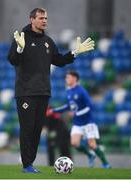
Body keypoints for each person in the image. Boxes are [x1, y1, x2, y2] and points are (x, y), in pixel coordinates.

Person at [7, 7, 95, 173]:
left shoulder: (48, 41)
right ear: (32, 19)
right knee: (27, 128)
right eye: (41, 18)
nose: (44, 21)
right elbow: (12, 60)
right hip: (25, 92)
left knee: (37, 130)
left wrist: (75, 52)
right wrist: (19, 48)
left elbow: (60, 60)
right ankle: (26, 165)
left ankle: (29, 164)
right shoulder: (21, 38)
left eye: (46, 18)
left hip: (43, 91)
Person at [51, 70, 111, 168]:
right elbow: (69, 106)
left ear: (74, 78)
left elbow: (90, 106)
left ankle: (105, 163)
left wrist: (76, 113)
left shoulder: (81, 91)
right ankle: (90, 155)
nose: (66, 79)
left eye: (68, 77)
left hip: (88, 122)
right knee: (74, 143)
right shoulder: (69, 91)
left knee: (92, 144)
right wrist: (55, 110)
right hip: (78, 123)